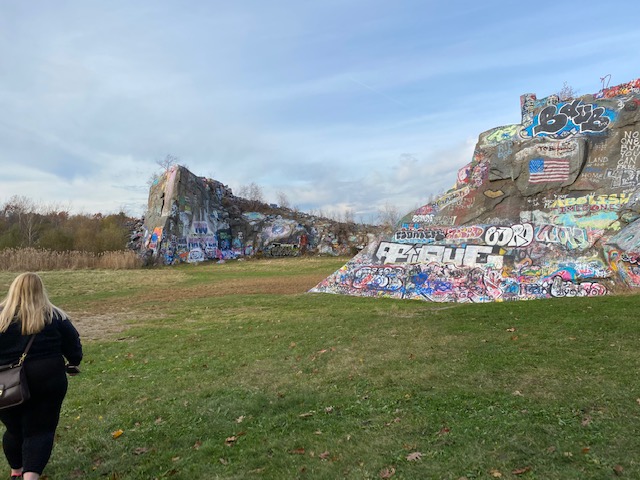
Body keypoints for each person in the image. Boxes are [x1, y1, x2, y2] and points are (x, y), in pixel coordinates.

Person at [0, 273, 82, 480]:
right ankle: (30, 476)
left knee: (14, 429)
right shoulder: (55, 316)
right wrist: (73, 363)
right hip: (47, 378)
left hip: (5, 382)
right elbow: (73, 345)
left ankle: (16, 471)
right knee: (40, 430)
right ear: (41, 290)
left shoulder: (1, 317)